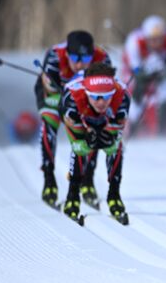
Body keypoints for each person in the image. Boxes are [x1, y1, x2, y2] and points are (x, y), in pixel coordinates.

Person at [34, 30, 111, 208]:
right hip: (55, 94)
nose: (79, 64)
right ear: (67, 53)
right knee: (50, 123)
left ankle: (88, 180)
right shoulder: (55, 55)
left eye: (85, 59)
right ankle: (49, 179)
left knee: (94, 129)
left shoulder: (102, 58)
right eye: (75, 58)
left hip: (85, 98)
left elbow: (106, 92)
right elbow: (49, 86)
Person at [59, 62, 131, 222]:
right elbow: (76, 141)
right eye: (95, 96)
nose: (101, 102)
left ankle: (114, 194)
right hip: (79, 113)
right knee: (82, 148)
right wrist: (88, 138)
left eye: (106, 96)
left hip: (104, 115)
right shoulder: (73, 97)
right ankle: (73, 195)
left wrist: (108, 137)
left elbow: (117, 130)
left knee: (113, 147)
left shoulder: (122, 95)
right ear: (86, 92)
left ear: (113, 91)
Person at [121, 15, 166, 136]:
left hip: (159, 73)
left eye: (159, 39)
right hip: (136, 73)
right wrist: (144, 74)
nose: (156, 43)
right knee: (136, 92)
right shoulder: (134, 41)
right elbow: (134, 67)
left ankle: (164, 127)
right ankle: (132, 125)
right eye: (152, 39)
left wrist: (162, 72)